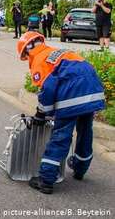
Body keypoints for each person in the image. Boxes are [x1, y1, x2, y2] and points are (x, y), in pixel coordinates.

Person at [16, 32, 105, 194]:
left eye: (25, 55)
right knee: (85, 132)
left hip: (73, 95)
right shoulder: (58, 52)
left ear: (27, 50)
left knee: (61, 136)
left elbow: (48, 89)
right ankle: (80, 168)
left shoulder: (39, 60)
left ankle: (46, 180)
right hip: (92, 90)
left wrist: (41, 113)